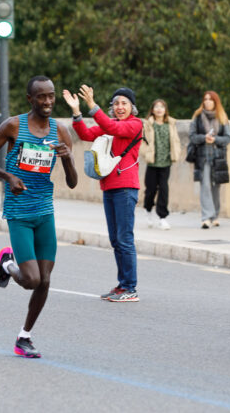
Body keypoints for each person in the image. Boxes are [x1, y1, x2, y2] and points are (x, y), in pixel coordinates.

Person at [0, 75, 78, 358]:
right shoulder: (13, 126)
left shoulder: (60, 130)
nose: (47, 102)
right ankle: (7, 264)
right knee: (31, 279)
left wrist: (67, 157)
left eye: (51, 96)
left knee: (45, 281)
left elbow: (72, 183)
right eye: (42, 97)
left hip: (45, 211)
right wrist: (8, 176)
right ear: (30, 99)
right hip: (19, 211)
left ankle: (24, 336)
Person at [66, 84, 143, 302]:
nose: (120, 107)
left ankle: (130, 288)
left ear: (132, 107)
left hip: (126, 187)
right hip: (109, 187)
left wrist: (92, 104)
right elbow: (86, 134)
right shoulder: (112, 125)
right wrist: (77, 112)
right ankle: (122, 285)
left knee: (125, 238)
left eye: (124, 103)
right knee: (115, 239)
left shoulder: (135, 125)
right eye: (116, 103)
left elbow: (112, 127)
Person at [188, 91, 230, 229]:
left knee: (216, 187)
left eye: (210, 99)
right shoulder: (197, 117)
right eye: (205, 99)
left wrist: (215, 139)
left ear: (215, 102)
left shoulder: (222, 117)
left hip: (218, 157)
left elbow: (228, 138)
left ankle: (215, 216)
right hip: (202, 157)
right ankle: (206, 217)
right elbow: (192, 136)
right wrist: (204, 138)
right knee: (205, 185)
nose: (207, 102)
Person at [141, 99, 180, 230]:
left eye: (162, 107)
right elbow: (143, 141)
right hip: (152, 162)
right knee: (151, 189)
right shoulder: (148, 124)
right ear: (152, 110)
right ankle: (148, 210)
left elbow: (175, 141)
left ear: (165, 110)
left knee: (164, 189)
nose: (159, 109)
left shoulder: (170, 124)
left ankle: (162, 217)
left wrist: (176, 153)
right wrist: (146, 153)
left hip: (166, 162)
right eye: (156, 107)